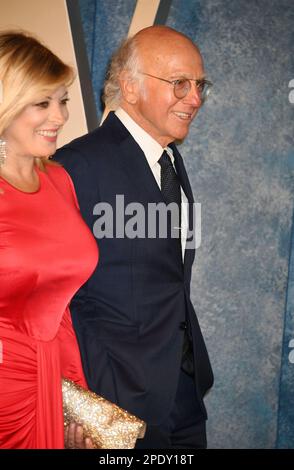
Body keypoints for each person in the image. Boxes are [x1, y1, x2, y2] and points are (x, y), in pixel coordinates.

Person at [55, 25, 214, 449]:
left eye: (199, 85)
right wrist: (77, 402)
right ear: (129, 87)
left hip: (183, 395)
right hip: (115, 407)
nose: (195, 99)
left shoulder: (170, 162)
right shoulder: (76, 166)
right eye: (180, 84)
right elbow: (52, 300)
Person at [0, 31, 98, 449]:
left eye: (63, 101)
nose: (58, 117)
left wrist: (76, 394)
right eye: (42, 103)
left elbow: (59, 306)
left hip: (52, 376)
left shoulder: (58, 180)